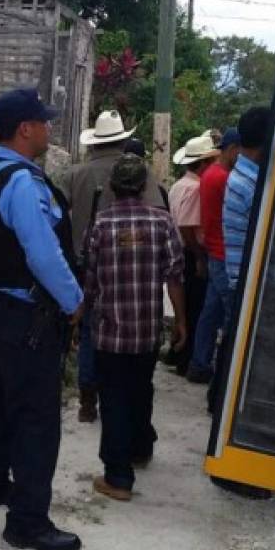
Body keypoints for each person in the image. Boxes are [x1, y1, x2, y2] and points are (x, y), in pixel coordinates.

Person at [0, 88, 84, 550]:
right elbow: (43, 254)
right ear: (26, 129)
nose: (50, 130)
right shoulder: (20, 183)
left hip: (1, 305)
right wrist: (74, 301)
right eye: (45, 123)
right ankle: (28, 522)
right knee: (36, 419)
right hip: (31, 316)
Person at [85, 154, 186, 501]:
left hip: (110, 331)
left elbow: (90, 281)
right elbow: (175, 277)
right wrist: (182, 322)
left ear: (112, 187)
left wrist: (79, 317)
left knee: (112, 398)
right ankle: (141, 449)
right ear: (144, 187)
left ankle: (118, 477)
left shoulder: (100, 224)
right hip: (147, 330)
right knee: (141, 389)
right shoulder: (162, 222)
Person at [66, 111, 165, 423]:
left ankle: (86, 397)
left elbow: (57, 215)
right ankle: (118, 394)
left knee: (89, 328)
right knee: (123, 327)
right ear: (122, 140)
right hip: (129, 264)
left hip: (83, 261)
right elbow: (159, 212)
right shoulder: (140, 174)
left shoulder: (74, 174)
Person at [210, 106, 272, 499]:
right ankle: (230, 461)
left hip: (238, 280)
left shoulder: (246, 177)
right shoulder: (249, 184)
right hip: (243, 284)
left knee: (234, 365)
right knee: (241, 374)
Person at [187, 128, 241, 384]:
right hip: (222, 251)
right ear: (232, 150)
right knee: (230, 315)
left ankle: (199, 363)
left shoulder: (210, 174)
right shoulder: (224, 178)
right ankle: (221, 373)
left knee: (210, 313)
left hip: (213, 249)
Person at [166, 135, 220, 376]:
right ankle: (186, 359)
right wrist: (199, 257)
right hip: (190, 250)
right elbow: (188, 226)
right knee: (194, 307)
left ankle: (178, 352)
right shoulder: (196, 188)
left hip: (179, 249)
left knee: (185, 305)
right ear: (202, 163)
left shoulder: (179, 185)